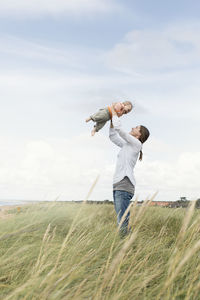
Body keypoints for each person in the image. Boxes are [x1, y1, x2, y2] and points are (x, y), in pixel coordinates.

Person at [109, 107, 150, 237]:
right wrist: (111, 121)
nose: (133, 127)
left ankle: (125, 246)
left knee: (122, 220)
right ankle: (128, 243)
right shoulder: (127, 145)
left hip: (125, 184)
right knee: (121, 219)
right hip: (118, 184)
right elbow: (113, 136)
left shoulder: (137, 145)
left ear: (139, 134)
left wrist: (115, 114)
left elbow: (121, 132)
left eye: (136, 128)